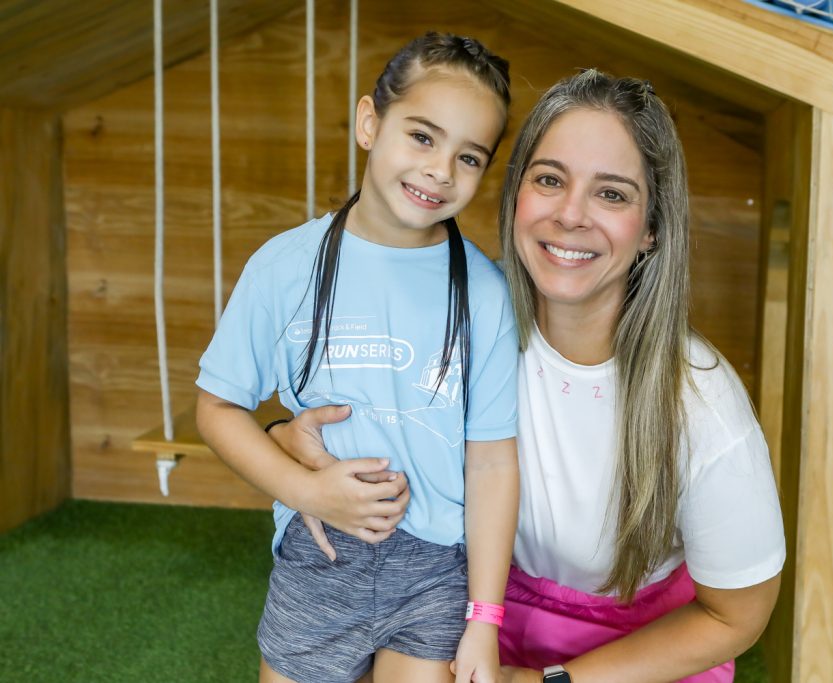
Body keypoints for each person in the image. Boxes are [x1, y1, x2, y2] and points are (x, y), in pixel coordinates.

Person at [269, 69, 785, 683]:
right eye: (549, 180)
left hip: (629, 660)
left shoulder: (700, 399)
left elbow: (736, 617)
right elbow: (326, 415)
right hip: (463, 614)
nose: (571, 215)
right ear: (516, 195)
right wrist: (285, 437)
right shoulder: (450, 321)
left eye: (612, 194)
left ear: (652, 228)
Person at [195, 32, 520, 683]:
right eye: (422, 137)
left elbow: (491, 460)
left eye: (469, 157)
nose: (439, 170)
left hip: (435, 567)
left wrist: (485, 617)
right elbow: (217, 408)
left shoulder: (485, 292)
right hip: (319, 555)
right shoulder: (283, 267)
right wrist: (307, 488)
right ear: (370, 122)